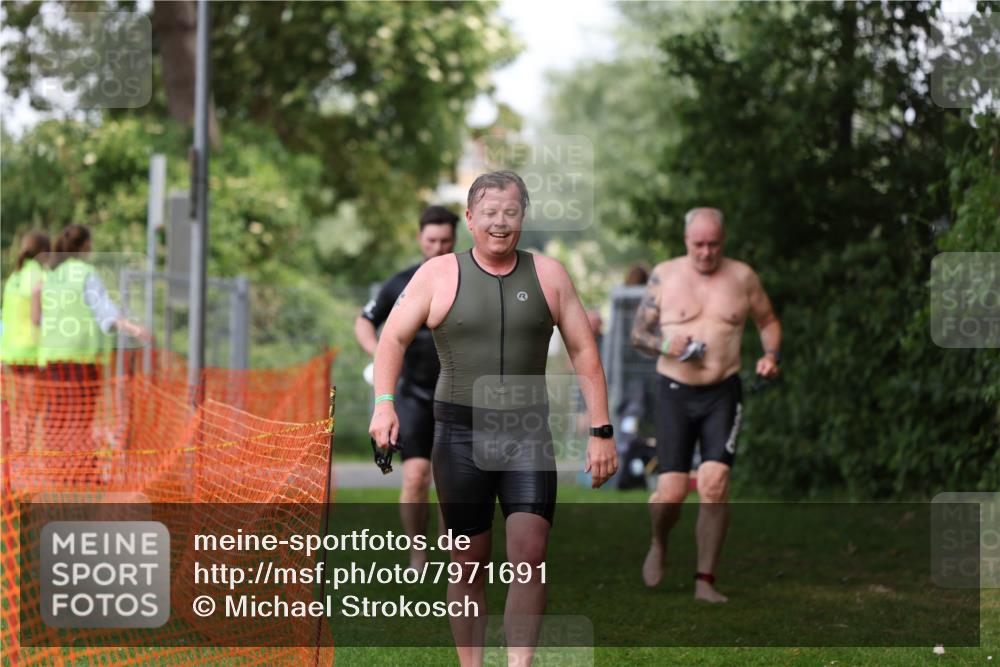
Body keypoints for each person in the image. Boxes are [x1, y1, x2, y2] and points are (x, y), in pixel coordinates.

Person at [369, 171, 617, 667]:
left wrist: (601, 431)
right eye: (489, 213)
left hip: (527, 432)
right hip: (460, 433)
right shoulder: (437, 275)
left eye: (510, 213)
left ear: (522, 217)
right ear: (469, 219)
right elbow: (391, 338)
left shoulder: (550, 274)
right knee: (467, 561)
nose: (500, 224)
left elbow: (584, 349)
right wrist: (384, 402)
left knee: (529, 555)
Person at [630, 207, 781, 602]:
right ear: (686, 242)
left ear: (723, 242)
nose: (706, 252)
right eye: (699, 244)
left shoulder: (743, 277)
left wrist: (771, 356)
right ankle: (659, 542)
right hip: (674, 392)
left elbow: (767, 322)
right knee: (672, 493)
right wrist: (666, 344)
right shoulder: (665, 274)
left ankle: (705, 580)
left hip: (722, 391)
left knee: (714, 485)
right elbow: (637, 334)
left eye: (714, 244)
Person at [354, 205, 458, 570]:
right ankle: (418, 553)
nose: (439, 247)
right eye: (432, 240)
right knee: (416, 475)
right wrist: (378, 354)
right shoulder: (401, 284)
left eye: (446, 240)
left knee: (452, 481)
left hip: (458, 396)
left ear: (455, 239)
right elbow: (366, 321)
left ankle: (454, 554)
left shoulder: (470, 280)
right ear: (420, 239)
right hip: (413, 395)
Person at [33, 225, 151, 484]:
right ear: (85, 246)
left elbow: (39, 317)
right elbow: (105, 312)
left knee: (57, 415)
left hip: (51, 356)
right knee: (80, 415)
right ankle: (80, 470)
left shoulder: (52, 275)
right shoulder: (86, 273)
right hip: (80, 356)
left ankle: (57, 468)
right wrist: (133, 328)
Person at [2, 231, 51, 455]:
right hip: (30, 349)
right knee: (33, 405)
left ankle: (17, 448)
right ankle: (25, 450)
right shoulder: (37, 274)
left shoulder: (16, 274)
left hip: (10, 349)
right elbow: (38, 315)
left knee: (18, 403)